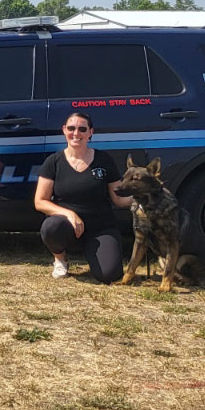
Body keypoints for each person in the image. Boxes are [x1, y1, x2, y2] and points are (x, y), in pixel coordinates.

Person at [33, 112, 134, 282]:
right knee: (51, 226)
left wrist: (142, 198)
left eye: (82, 129)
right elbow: (40, 202)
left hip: (101, 228)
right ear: (64, 130)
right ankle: (60, 260)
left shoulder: (104, 160)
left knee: (109, 275)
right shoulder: (53, 162)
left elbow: (118, 198)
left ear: (90, 132)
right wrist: (69, 214)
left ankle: (94, 253)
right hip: (68, 227)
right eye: (71, 128)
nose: (76, 133)